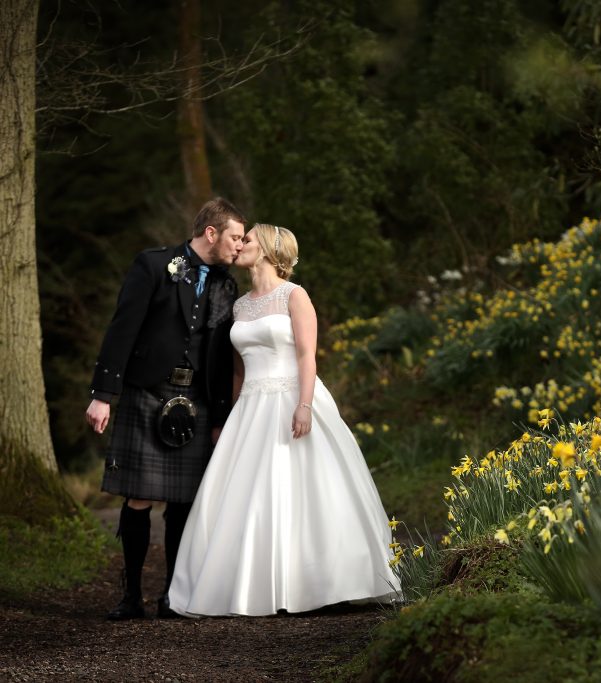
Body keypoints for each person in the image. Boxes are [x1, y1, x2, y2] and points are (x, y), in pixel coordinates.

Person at [168, 224, 400, 616]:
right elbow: (239, 371)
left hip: (293, 396)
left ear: (270, 249)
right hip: (251, 408)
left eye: (249, 240)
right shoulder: (239, 306)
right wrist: (230, 416)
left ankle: (319, 581)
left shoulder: (295, 295)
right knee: (247, 495)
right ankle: (252, 585)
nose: (240, 244)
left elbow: (307, 356)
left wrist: (305, 405)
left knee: (308, 489)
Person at [85, 197, 246, 620]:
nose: (240, 245)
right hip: (147, 393)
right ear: (210, 233)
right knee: (139, 496)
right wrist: (103, 394)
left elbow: (224, 356)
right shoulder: (154, 265)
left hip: (198, 401)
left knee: (184, 502)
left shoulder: (226, 285)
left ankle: (173, 596)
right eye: (234, 237)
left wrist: (222, 415)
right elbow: (123, 327)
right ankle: (131, 595)